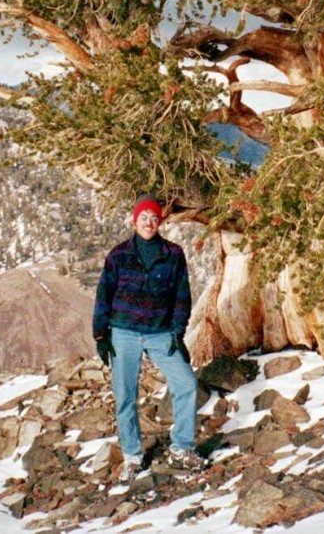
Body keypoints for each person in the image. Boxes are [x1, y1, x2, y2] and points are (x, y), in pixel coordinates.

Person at [93, 196, 202, 479]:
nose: (149, 223)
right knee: (125, 395)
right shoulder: (118, 255)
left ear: (160, 222)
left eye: (154, 218)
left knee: (187, 383)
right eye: (144, 218)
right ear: (135, 220)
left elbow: (182, 296)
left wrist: (178, 332)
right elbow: (103, 295)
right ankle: (132, 455)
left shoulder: (173, 254)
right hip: (124, 332)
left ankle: (182, 448)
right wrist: (101, 334)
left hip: (161, 333)